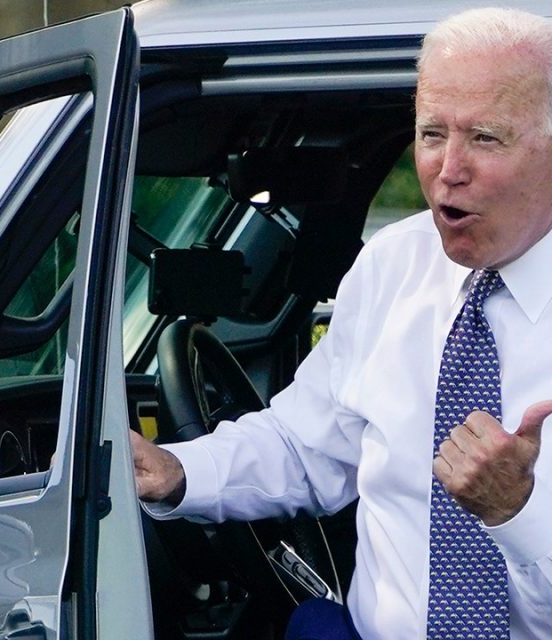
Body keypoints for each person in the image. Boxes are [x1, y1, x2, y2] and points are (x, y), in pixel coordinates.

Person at [131, 7, 552, 639]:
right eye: (431, 134)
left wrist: (516, 514)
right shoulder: (393, 265)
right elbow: (308, 447)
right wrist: (177, 472)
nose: (448, 170)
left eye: (485, 138)